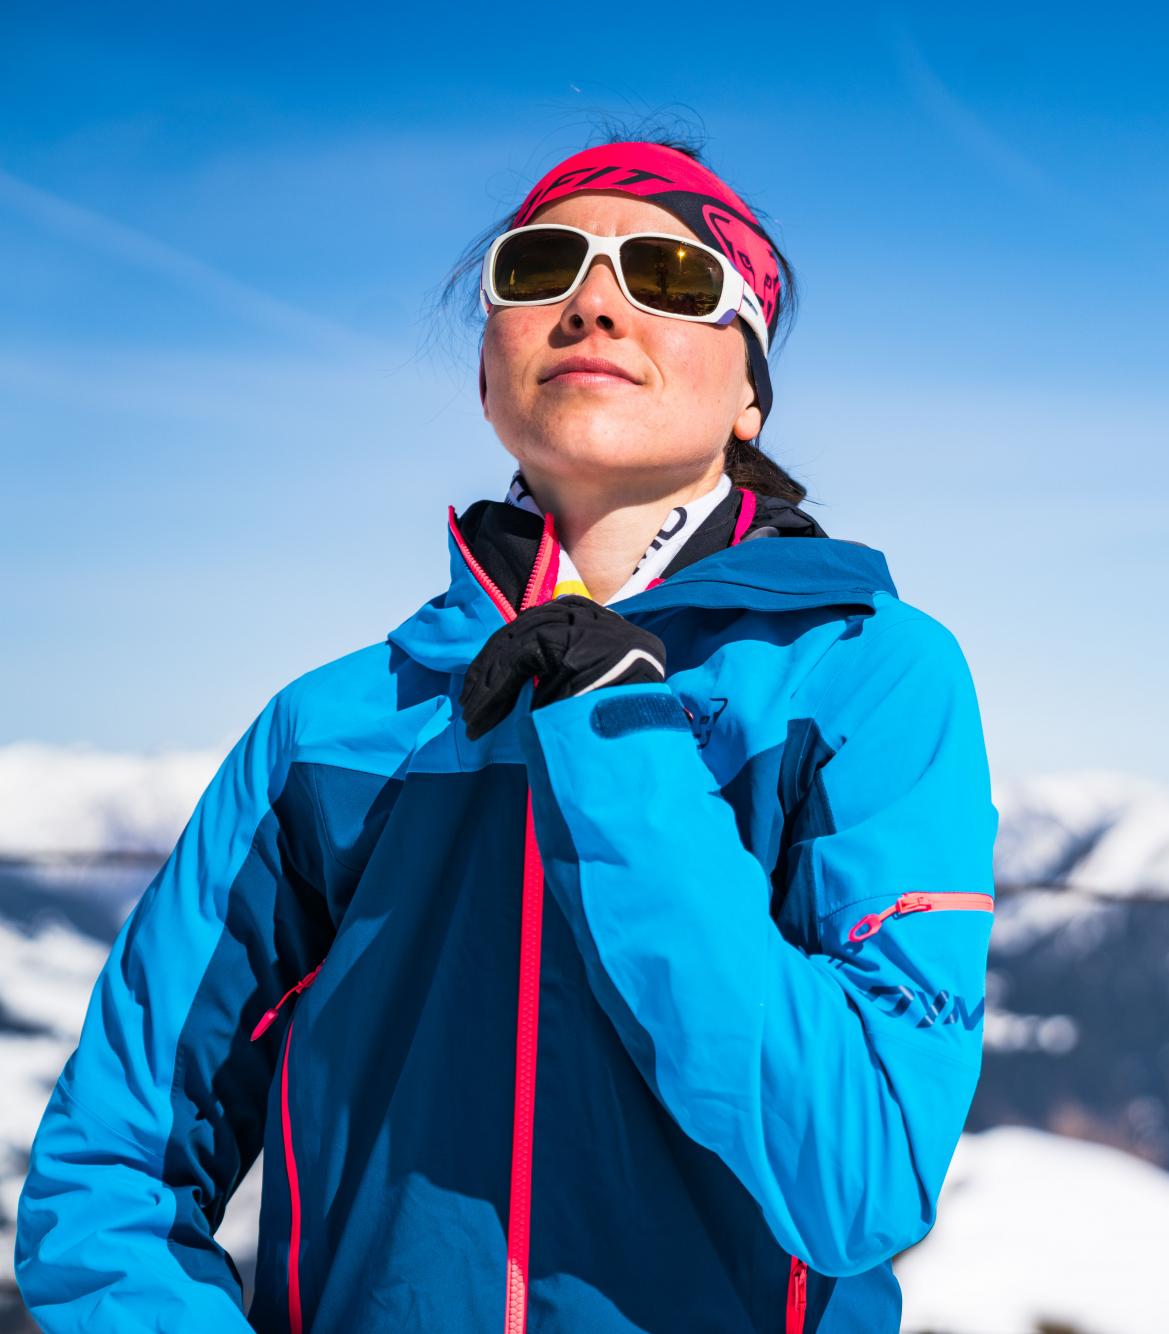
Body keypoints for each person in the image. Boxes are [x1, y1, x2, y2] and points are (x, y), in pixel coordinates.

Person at [12, 131, 1000, 1334]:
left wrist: (614, 732)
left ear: (747, 390)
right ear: (490, 371)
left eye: (668, 279)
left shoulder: (870, 676)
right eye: (539, 267)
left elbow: (857, 1177)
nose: (593, 301)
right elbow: (105, 1178)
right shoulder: (328, 731)